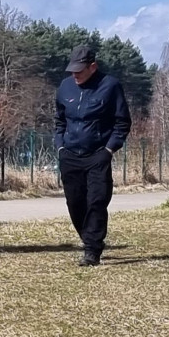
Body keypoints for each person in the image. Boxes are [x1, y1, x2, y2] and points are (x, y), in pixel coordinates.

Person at [54, 44, 131, 266]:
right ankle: (88, 238)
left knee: (97, 201)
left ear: (93, 67)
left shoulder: (110, 86)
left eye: (79, 70)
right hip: (69, 155)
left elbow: (122, 121)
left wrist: (109, 149)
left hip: (98, 154)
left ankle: (92, 249)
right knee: (75, 203)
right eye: (72, 71)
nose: (75, 75)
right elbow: (59, 120)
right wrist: (60, 146)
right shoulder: (65, 87)